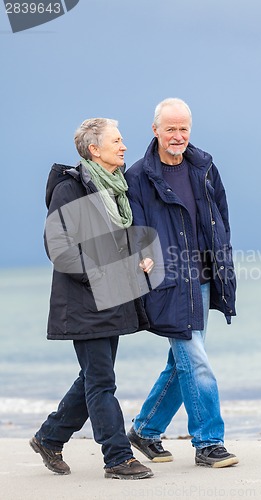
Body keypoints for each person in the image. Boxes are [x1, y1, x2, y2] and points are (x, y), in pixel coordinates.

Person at [30, 118, 153, 480]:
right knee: (101, 381)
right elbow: (59, 249)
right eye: (117, 140)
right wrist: (101, 274)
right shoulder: (72, 189)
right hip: (84, 299)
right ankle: (117, 458)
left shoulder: (115, 189)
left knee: (92, 377)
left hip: (112, 297)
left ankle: (49, 437)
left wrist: (138, 257)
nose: (125, 146)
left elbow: (112, 242)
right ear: (94, 149)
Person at [124, 98, 238, 468]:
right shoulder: (139, 176)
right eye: (170, 129)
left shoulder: (204, 167)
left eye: (183, 128)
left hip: (205, 278)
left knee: (183, 362)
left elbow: (221, 215)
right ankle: (209, 442)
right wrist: (145, 258)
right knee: (196, 361)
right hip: (170, 281)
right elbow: (136, 229)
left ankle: (145, 429)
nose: (177, 136)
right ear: (155, 129)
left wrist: (224, 257)